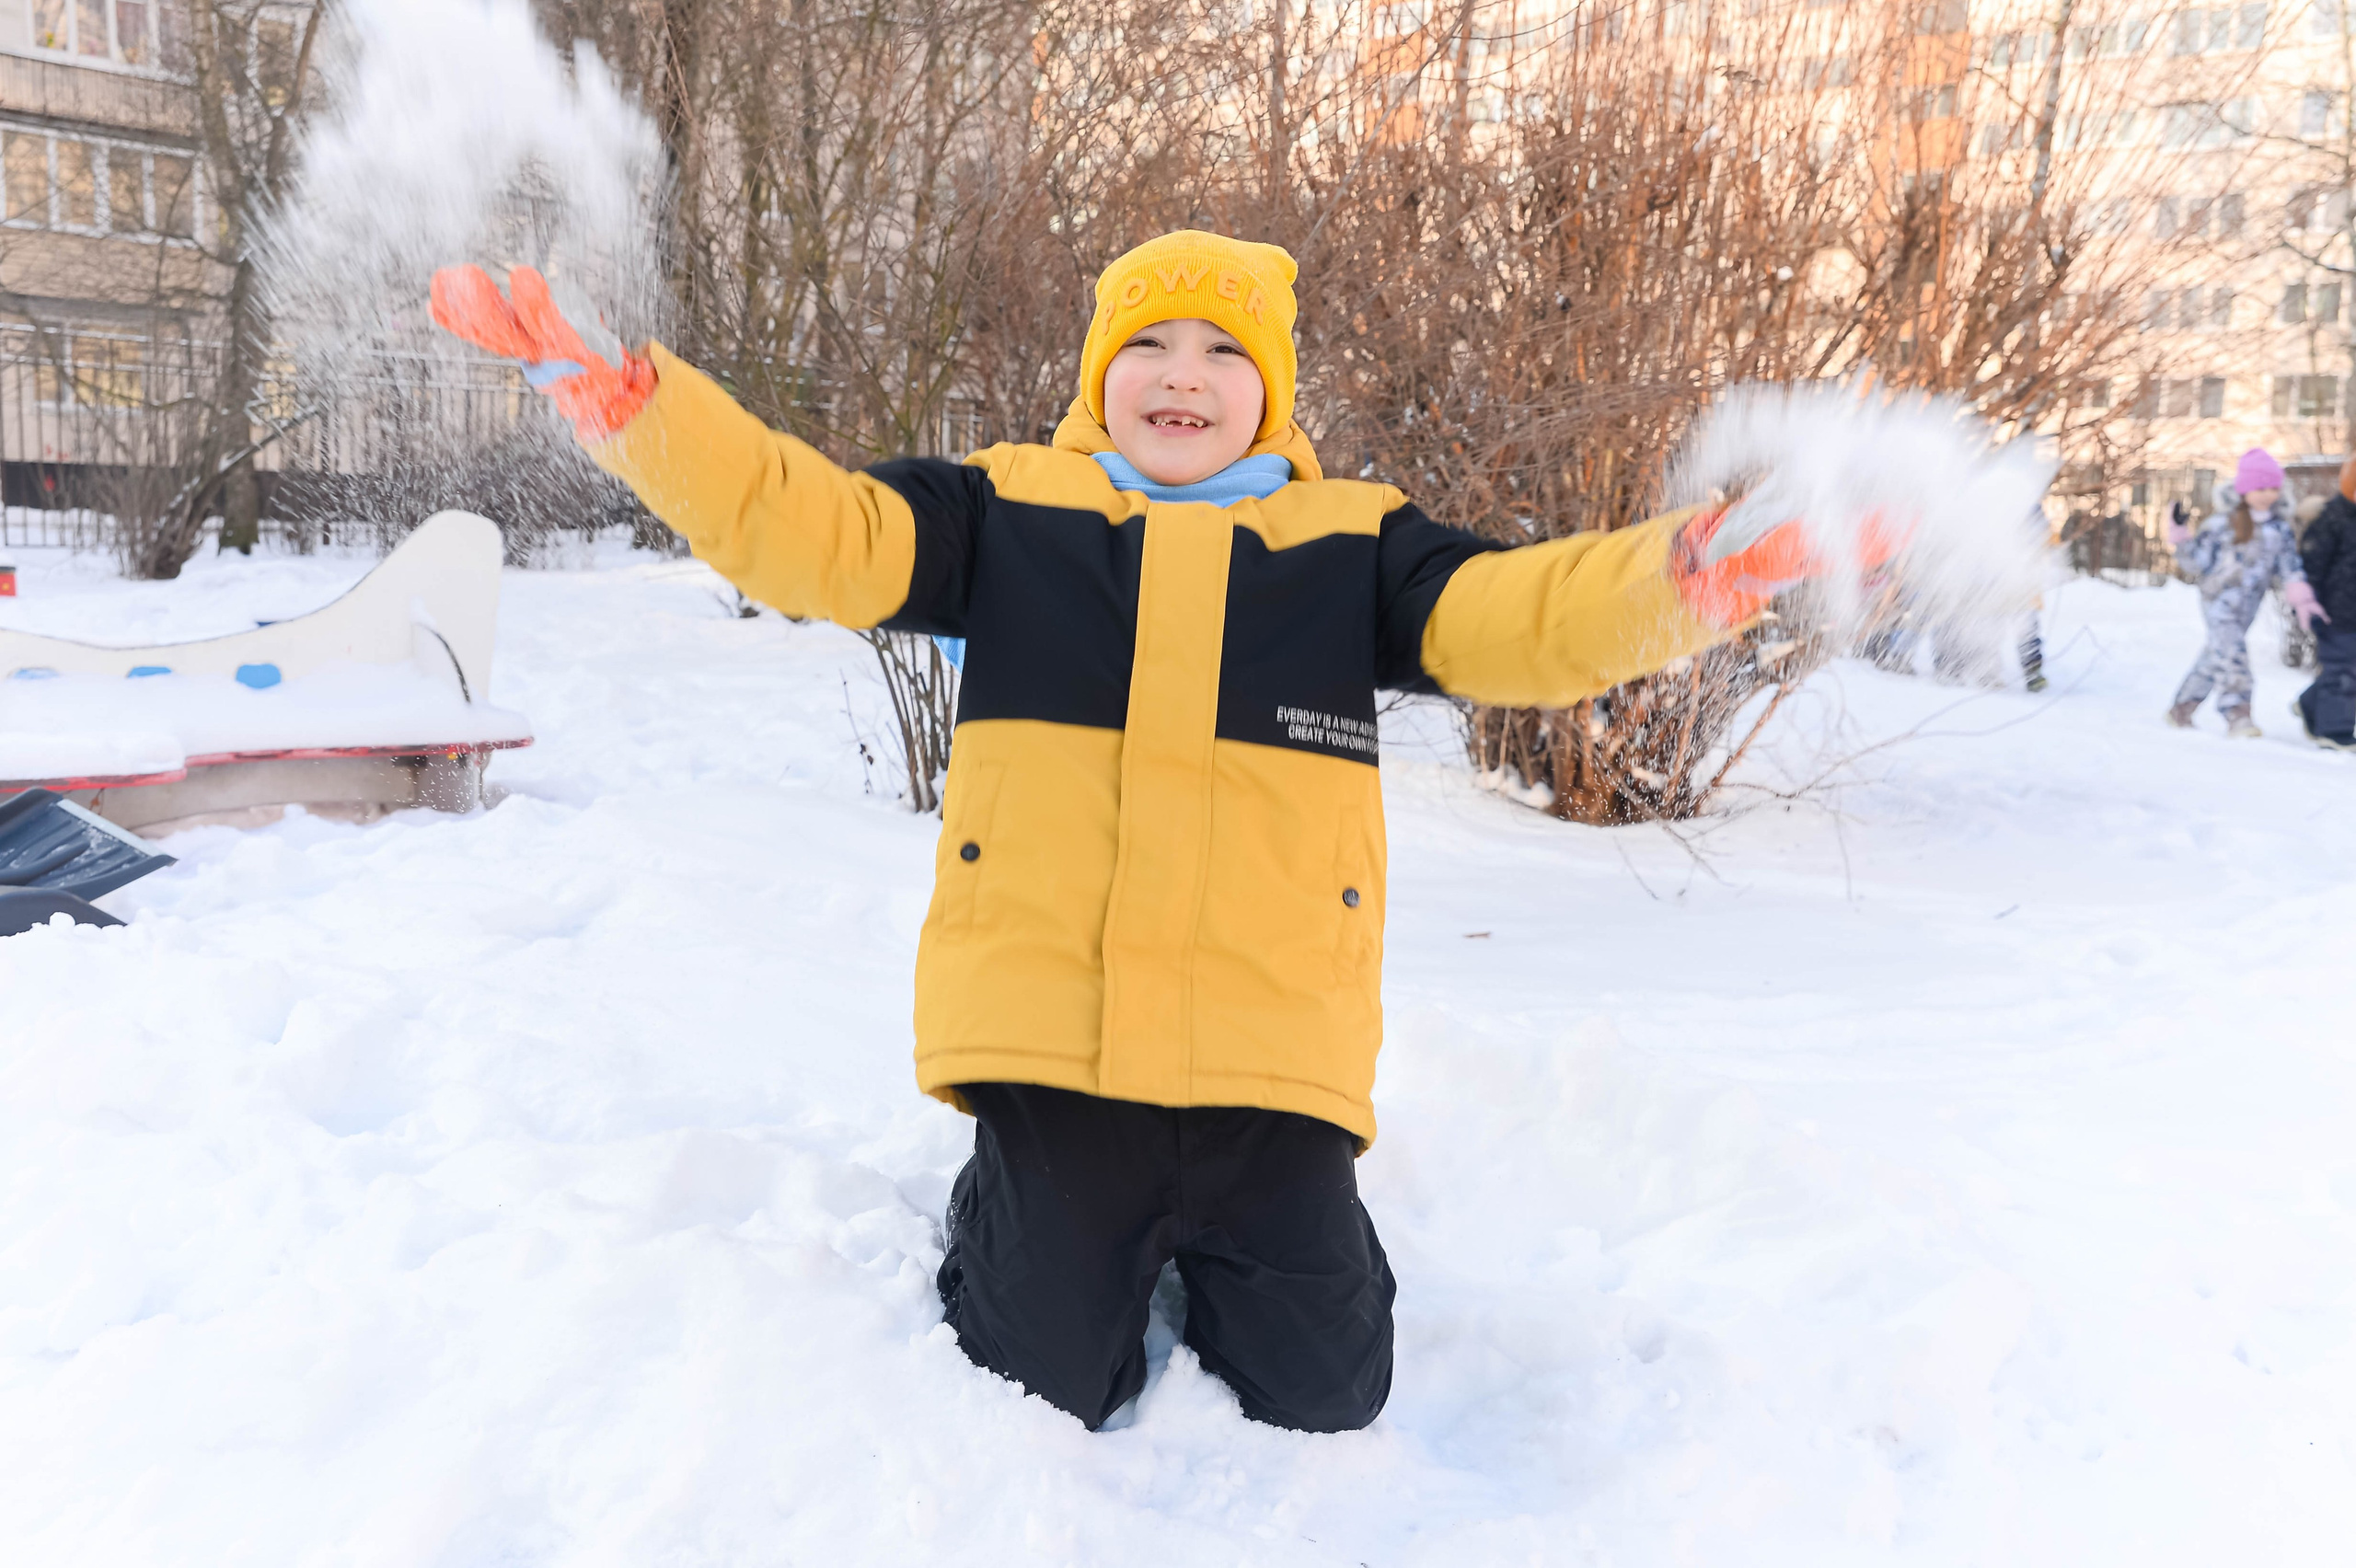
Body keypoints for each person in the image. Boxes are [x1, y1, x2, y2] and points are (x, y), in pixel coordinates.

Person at [429, 231, 1847, 1434]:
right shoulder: (1009, 515)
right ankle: (1012, 1212)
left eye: (1225, 353)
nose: (1184, 375)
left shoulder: (1351, 544)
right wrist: (635, 407)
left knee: (1327, 1395)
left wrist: (1686, 577)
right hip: (1058, 1048)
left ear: (1272, 391)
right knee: (1041, 1378)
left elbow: (1517, 617)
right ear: (1100, 375)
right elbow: (811, 527)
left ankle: (1267, 1244)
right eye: (1150, 345)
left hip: (1265, 1057)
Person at [2164, 449, 2326, 737]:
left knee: (2217, 655)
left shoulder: (2279, 529)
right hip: (2218, 601)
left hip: (2249, 605)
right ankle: (2237, 714)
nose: (2268, 494)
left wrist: (2300, 594)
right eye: (2261, 487)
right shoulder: (2220, 524)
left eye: (2273, 488)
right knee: (2233, 655)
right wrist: (2180, 536)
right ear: (2244, 489)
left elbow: (2289, 566)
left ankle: (2182, 708)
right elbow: (2195, 563)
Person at [2294, 456, 2356, 750]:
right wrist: (2309, 603)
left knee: (2345, 669)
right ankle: (2334, 730)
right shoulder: (2331, 519)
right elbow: (2312, 566)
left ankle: (2309, 703)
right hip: (2334, 612)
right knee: (2342, 669)